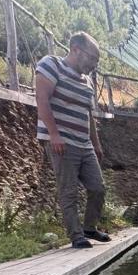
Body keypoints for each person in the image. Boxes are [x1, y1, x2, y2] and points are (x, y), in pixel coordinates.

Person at [35, 32, 110, 248]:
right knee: (68, 190)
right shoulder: (51, 65)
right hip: (61, 141)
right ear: (76, 49)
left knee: (98, 188)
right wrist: (54, 134)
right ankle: (76, 235)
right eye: (92, 59)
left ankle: (89, 227)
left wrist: (96, 143)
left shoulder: (87, 82)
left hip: (84, 142)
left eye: (97, 61)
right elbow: (42, 99)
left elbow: (88, 115)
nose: (94, 65)